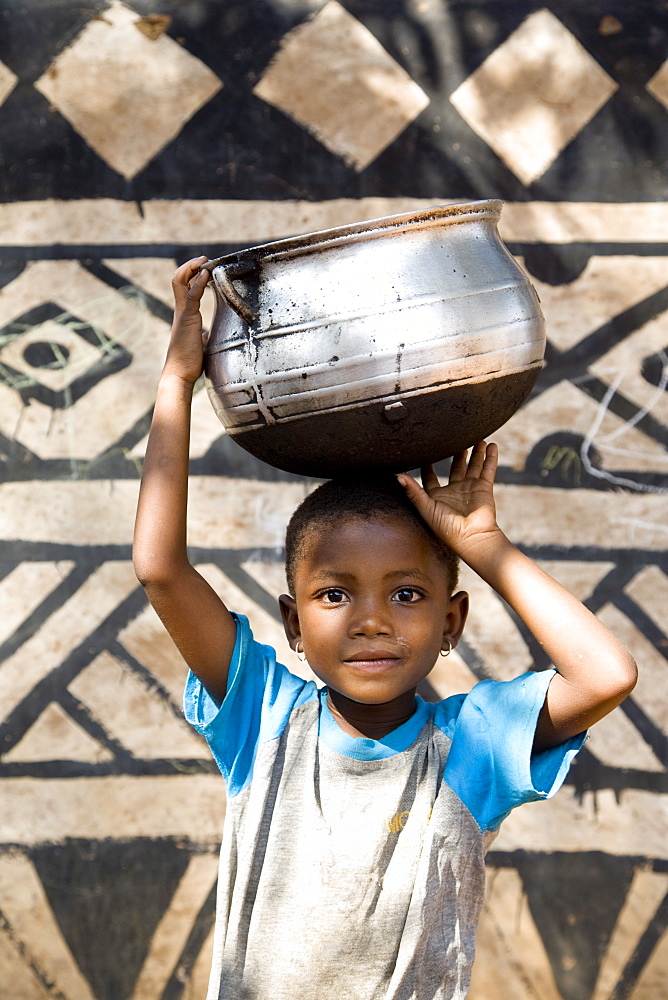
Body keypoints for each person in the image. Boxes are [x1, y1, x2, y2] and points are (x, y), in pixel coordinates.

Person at [133, 257, 637, 1000]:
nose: (371, 620)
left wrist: (483, 546)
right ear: (292, 624)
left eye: (407, 594)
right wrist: (177, 383)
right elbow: (159, 568)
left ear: (450, 622)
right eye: (334, 596)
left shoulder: (471, 746)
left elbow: (606, 675)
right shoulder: (262, 718)